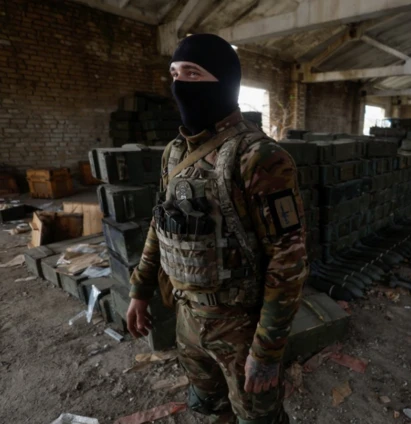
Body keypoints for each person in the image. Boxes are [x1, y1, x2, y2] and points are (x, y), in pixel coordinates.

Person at [126, 34, 309, 424]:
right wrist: (139, 291)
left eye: (192, 73)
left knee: (257, 418)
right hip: (187, 318)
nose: (178, 84)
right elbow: (160, 226)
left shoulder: (260, 157)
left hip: (241, 327)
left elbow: (288, 261)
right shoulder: (174, 152)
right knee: (208, 410)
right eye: (174, 73)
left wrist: (267, 350)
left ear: (224, 82)